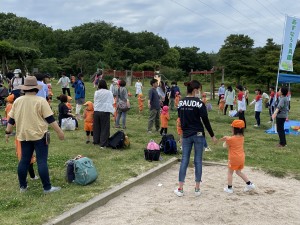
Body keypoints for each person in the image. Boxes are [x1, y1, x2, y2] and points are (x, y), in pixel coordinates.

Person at [5, 76, 64, 193]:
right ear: (36, 89)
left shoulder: (17, 101)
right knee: (42, 161)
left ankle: (23, 187)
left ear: (24, 89)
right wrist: (59, 132)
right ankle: (47, 187)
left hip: (23, 135)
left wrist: (8, 132)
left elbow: (11, 119)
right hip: (39, 135)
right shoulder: (41, 101)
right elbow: (50, 119)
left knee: (24, 161)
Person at [174, 80, 217, 197]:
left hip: (187, 135)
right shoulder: (199, 103)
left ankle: (180, 188)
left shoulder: (181, 102)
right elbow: (205, 121)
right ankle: (197, 188)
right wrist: (212, 135)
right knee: (198, 160)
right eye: (199, 90)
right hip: (198, 134)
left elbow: (180, 120)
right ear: (195, 90)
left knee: (184, 160)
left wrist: (181, 135)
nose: (199, 92)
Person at [221, 120, 255, 194]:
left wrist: (226, 139)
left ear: (234, 129)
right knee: (238, 172)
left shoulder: (230, 139)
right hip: (241, 158)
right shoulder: (242, 137)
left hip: (233, 158)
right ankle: (249, 184)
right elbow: (235, 139)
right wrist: (228, 138)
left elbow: (224, 146)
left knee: (230, 172)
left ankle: (229, 188)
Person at [93, 79, 114, 149]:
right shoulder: (109, 92)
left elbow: (95, 100)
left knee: (96, 127)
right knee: (104, 128)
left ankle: (96, 141)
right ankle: (103, 143)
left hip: (96, 111)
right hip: (105, 111)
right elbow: (112, 101)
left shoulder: (96, 92)